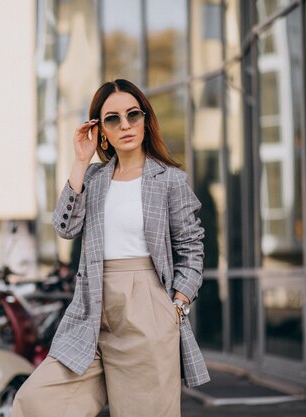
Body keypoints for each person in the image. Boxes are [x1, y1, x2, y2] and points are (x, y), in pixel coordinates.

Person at [11, 79, 210, 417]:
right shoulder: (94, 178)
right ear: (101, 130)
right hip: (91, 312)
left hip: (148, 313)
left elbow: (192, 249)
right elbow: (64, 227)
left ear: (145, 120)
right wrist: (79, 161)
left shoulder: (170, 180)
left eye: (133, 114)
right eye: (113, 119)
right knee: (36, 403)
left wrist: (176, 306)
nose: (125, 125)